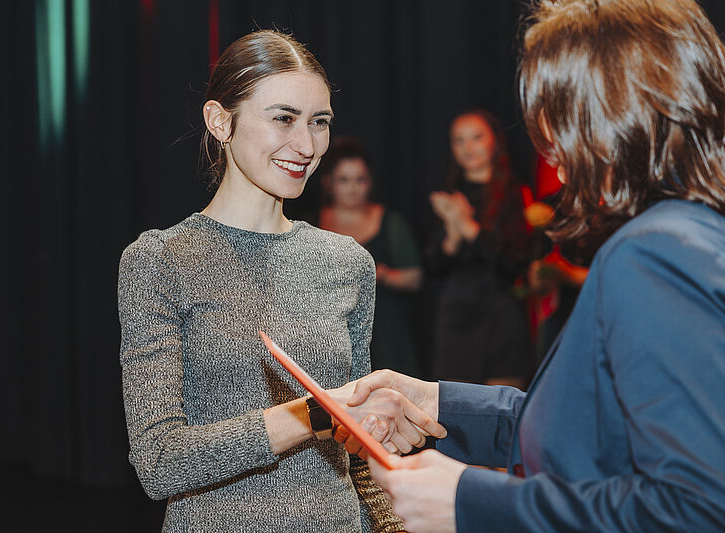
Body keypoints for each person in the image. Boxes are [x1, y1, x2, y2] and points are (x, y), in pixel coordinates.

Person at [337, 0, 725, 530]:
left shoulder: (656, 252)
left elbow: (697, 509)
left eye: (558, 121)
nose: (554, 157)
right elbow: (579, 431)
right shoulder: (685, 232)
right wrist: (434, 400)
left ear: (612, 115)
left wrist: (468, 500)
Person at [117, 30, 443, 532]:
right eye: (283, 118)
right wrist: (312, 415)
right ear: (220, 121)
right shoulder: (161, 261)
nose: (307, 145)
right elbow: (160, 462)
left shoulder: (346, 262)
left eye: (319, 122)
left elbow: (360, 454)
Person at [427, 110, 532, 388]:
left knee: (504, 405)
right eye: (459, 140)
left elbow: (515, 263)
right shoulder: (449, 195)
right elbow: (432, 266)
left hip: (502, 314)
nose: (468, 147)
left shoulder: (516, 194)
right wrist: (452, 235)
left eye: (476, 137)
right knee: (459, 407)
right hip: (458, 316)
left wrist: (468, 228)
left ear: (494, 140)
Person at [315, 136, 423, 376]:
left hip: (384, 332)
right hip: (329, 332)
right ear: (328, 183)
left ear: (370, 182)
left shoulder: (390, 222)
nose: (353, 188)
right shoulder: (312, 223)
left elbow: (415, 277)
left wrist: (383, 275)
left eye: (360, 179)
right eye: (344, 180)